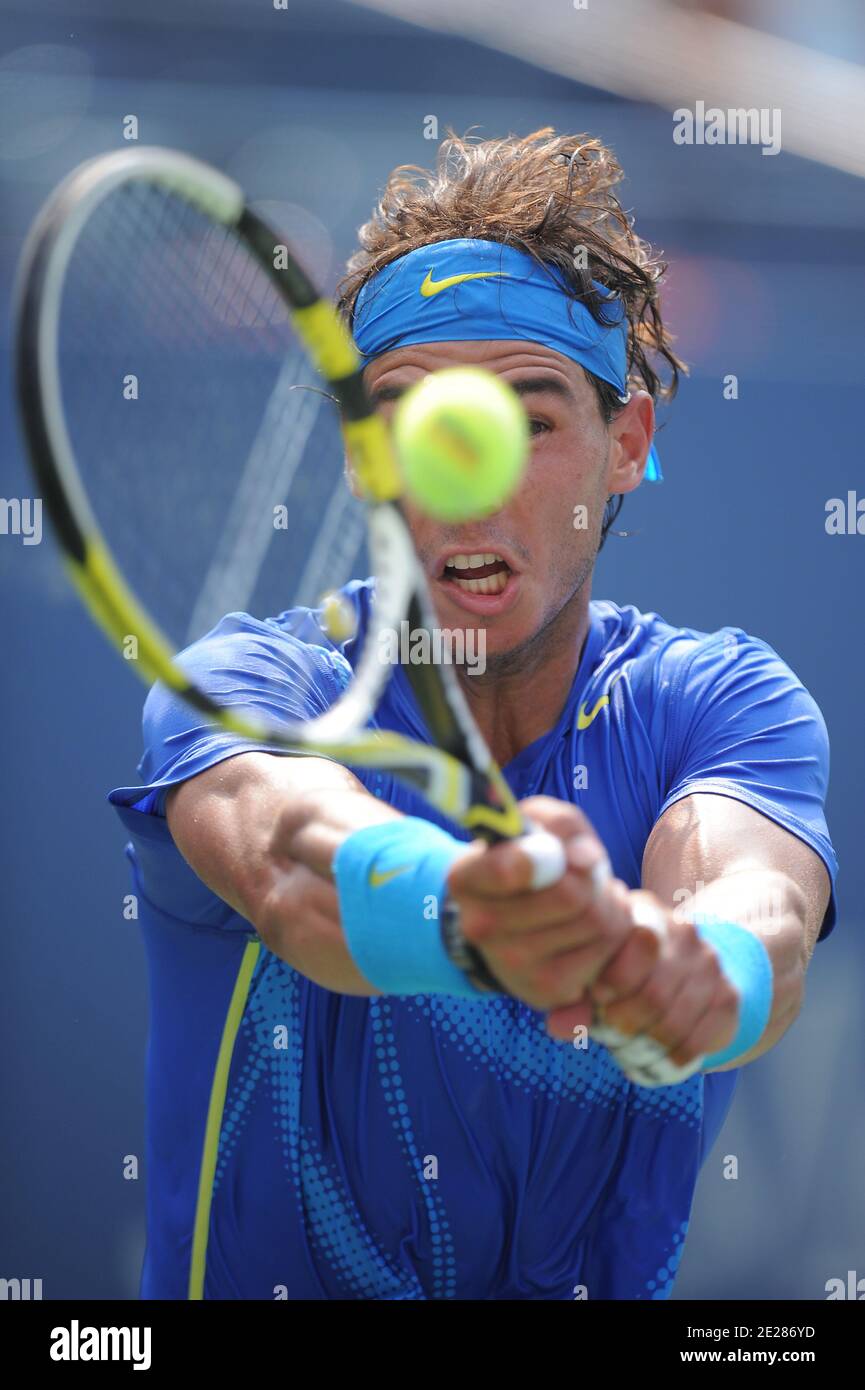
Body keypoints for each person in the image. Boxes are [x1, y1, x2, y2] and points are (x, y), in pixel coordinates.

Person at [109, 128, 836, 1300]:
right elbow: (297, 865)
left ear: (626, 447)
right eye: (413, 417)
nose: (464, 481)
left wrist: (693, 966)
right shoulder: (246, 686)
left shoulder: (722, 700)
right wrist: (466, 916)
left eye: (529, 422)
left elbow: (760, 908)